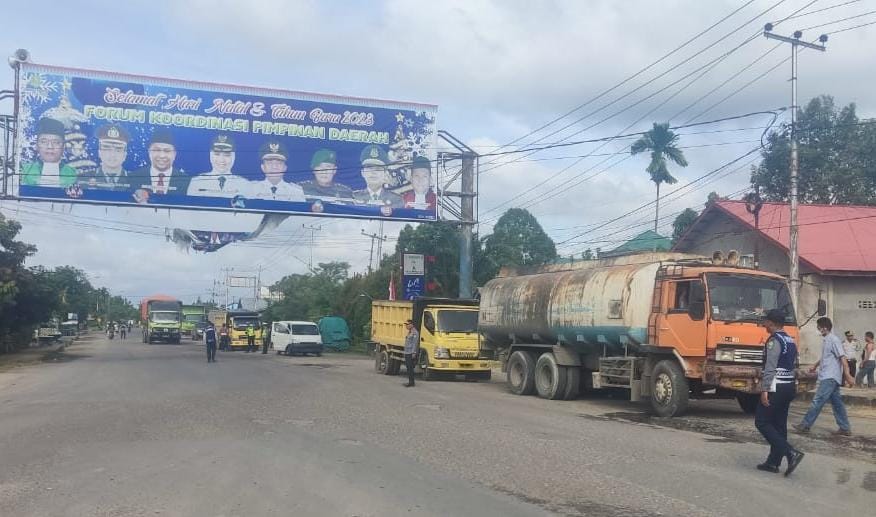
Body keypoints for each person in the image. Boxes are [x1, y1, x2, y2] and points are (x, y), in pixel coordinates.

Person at [754, 309, 804, 475]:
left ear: (771, 323)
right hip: (788, 386)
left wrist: (765, 389)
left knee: (762, 421)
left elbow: (770, 367)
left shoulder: (774, 341)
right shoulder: (790, 340)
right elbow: (794, 365)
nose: (764, 324)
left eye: (765, 321)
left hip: (777, 386)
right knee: (779, 425)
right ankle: (773, 462)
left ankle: (790, 452)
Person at [794, 317, 856, 436]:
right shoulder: (827, 340)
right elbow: (826, 357)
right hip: (829, 376)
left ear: (824, 328)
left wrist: (848, 375)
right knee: (837, 403)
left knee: (817, 401)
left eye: (819, 328)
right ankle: (845, 427)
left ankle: (805, 425)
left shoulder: (833, 340)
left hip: (830, 377)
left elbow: (842, 358)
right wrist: (815, 365)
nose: (818, 330)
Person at [130, 129, 190, 198]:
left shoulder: (186, 181)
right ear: (149, 152)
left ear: (174, 154)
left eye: (167, 151)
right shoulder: (133, 177)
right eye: (157, 150)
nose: (162, 156)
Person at [21, 118, 78, 187]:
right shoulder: (25, 170)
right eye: (44, 142)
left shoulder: (73, 173)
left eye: (56, 142)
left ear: (63, 147)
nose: (50, 147)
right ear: (36, 146)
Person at [353, 145, 403, 214]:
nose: (373, 172)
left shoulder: (396, 200)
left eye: (378, 168)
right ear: (362, 173)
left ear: (385, 174)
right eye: (369, 167)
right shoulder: (354, 197)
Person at [83, 124, 131, 190]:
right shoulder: (83, 178)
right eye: (107, 148)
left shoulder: (134, 180)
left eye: (118, 149)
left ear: (125, 155)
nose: (112, 154)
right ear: (99, 152)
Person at [403, 319, 420, 387]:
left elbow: (415, 344)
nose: (406, 326)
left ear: (411, 325)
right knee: (408, 368)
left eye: (407, 324)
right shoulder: (409, 332)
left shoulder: (415, 333)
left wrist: (414, 353)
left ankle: (411, 382)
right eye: (406, 324)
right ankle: (410, 381)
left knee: (410, 368)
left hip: (411, 353)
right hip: (407, 352)